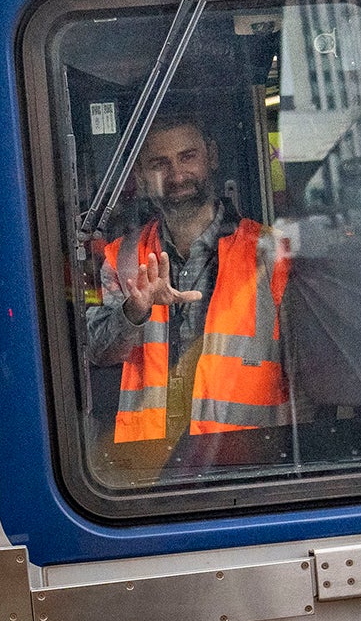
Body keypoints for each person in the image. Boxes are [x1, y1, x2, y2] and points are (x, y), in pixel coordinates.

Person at [81, 113, 292, 475]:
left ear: (211, 157)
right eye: (160, 163)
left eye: (187, 157)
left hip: (247, 461)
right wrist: (135, 310)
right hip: (150, 465)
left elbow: (303, 372)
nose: (177, 176)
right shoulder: (123, 256)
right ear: (141, 176)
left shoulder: (270, 252)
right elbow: (97, 351)